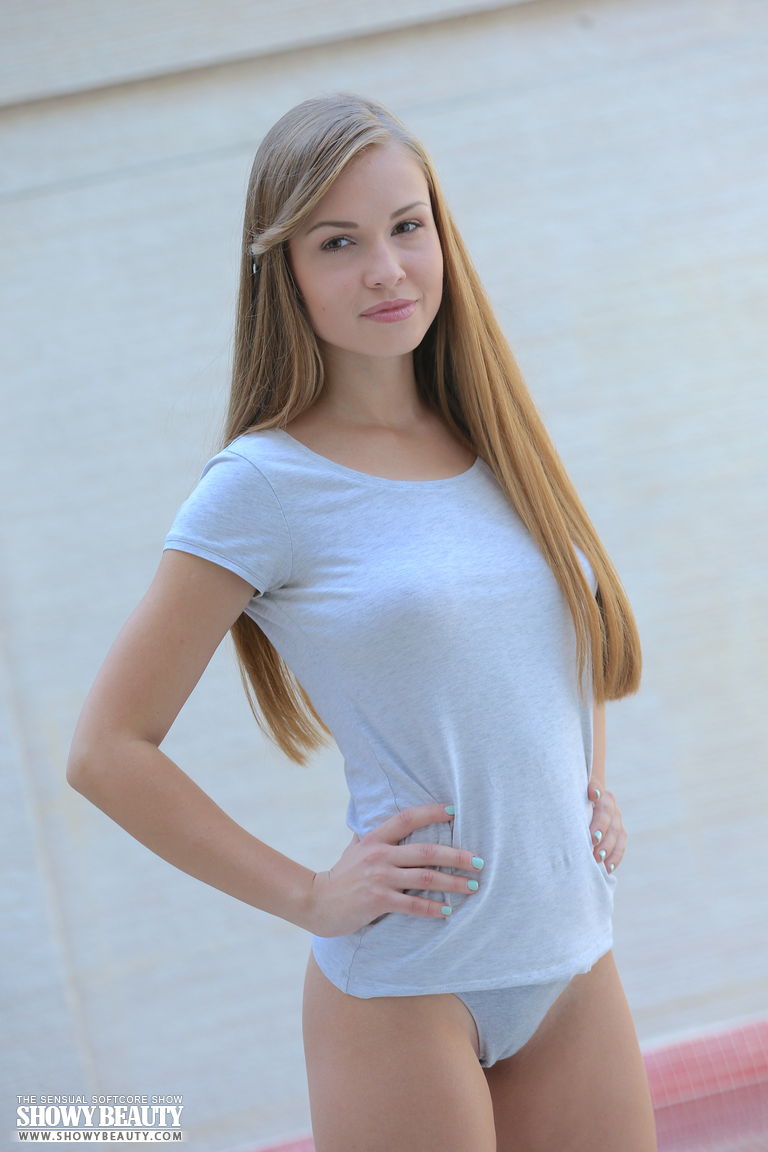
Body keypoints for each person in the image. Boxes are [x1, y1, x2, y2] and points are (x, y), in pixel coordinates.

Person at [66, 93, 658, 1151]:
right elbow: (107, 750)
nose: (387, 269)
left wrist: (589, 786)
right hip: (408, 987)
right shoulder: (262, 486)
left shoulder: (498, 439)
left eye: (406, 226)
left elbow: (562, 637)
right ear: (283, 272)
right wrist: (308, 894)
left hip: (574, 958)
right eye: (338, 243)